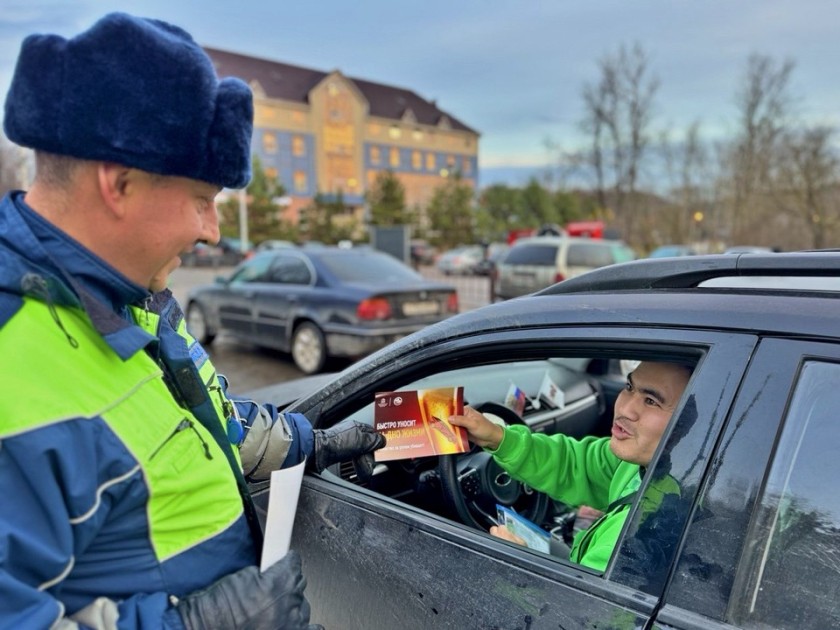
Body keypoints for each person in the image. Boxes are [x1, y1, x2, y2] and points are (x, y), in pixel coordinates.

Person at [0, 12, 383, 629]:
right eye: (203, 199)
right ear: (119, 183)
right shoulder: (12, 354)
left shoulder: (138, 297)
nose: (212, 231)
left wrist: (312, 443)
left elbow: (210, 424)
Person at [449, 361, 692, 571]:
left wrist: (521, 568)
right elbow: (575, 464)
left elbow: (580, 608)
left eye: (651, 401)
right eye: (629, 387)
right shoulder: (646, 463)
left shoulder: (639, 542)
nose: (625, 409)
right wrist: (497, 437)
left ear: (689, 423)